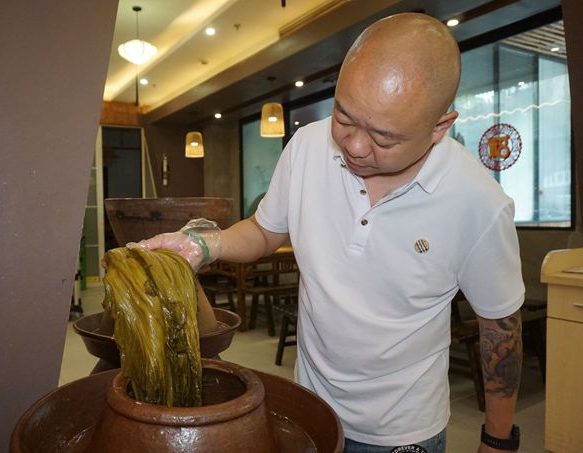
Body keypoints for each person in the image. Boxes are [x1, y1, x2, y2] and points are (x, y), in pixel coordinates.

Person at [132, 13, 524, 453]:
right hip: (311, 406)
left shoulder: (478, 202)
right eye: (344, 116)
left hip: (403, 431)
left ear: (439, 127)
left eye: (384, 137)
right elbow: (263, 231)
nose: (355, 146)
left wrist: (498, 438)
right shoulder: (305, 147)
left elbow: (500, 330)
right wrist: (206, 244)